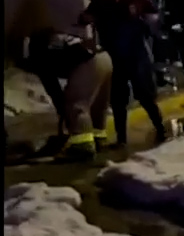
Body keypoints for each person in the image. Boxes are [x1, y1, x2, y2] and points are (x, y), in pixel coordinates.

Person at [79, 0, 167, 148]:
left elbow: (153, 13)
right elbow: (85, 18)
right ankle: (121, 139)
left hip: (136, 54)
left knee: (144, 95)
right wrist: (88, 19)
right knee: (118, 99)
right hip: (114, 56)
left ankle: (161, 130)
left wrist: (147, 24)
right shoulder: (101, 1)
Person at [16, 29, 113, 161]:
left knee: (76, 104)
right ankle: (98, 138)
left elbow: (53, 87)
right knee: (96, 106)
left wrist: (63, 110)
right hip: (104, 58)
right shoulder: (49, 33)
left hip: (88, 62)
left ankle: (82, 146)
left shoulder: (37, 52)